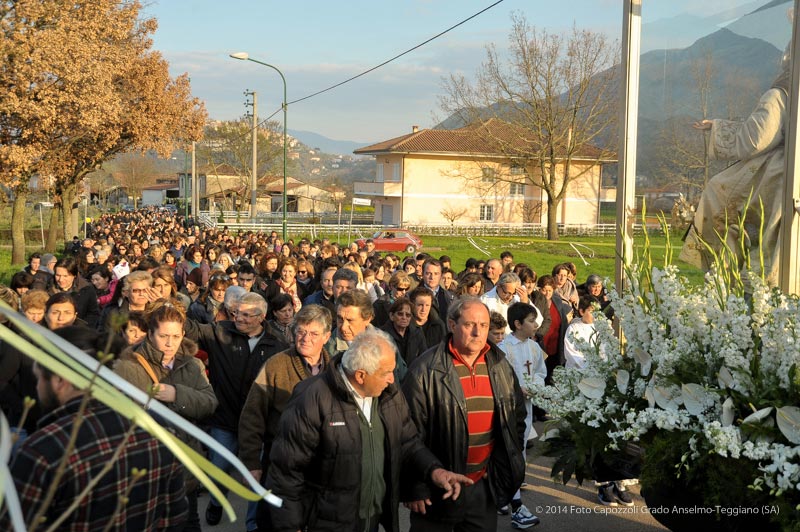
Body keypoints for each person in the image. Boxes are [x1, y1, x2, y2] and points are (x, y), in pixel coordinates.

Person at [263, 328, 473, 532]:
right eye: (387, 372)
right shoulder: (312, 399)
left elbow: (408, 442)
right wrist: (290, 527)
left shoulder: (389, 393)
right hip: (325, 522)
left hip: (371, 520)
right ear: (361, 376)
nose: (393, 378)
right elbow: (286, 473)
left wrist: (435, 471)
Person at [0, 326, 188, 531]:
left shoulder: (41, 451)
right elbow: (174, 519)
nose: (37, 387)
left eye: (39, 377)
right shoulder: (160, 432)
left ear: (59, 380)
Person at [401, 297, 528, 532]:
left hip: (483, 486)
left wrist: (499, 471)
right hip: (437, 488)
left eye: (484, 325)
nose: (478, 332)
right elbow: (407, 436)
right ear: (452, 325)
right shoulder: (425, 370)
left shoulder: (500, 365)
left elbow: (515, 421)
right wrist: (415, 487)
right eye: (470, 324)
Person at [681, 45, 791, 287]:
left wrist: (719, 128)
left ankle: (725, 269)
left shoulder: (780, 95)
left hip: (780, 174)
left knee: (718, 190)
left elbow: (755, 140)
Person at [183, 291, 287, 526]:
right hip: (225, 421)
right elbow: (191, 329)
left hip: (258, 427)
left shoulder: (277, 346)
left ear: (261, 317)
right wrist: (169, 303)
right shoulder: (220, 332)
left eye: (246, 314)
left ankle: (253, 525)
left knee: (254, 478)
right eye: (236, 312)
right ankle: (216, 502)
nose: (238, 318)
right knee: (218, 471)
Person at [114, 302, 218, 531]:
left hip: (184, 467)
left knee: (189, 524)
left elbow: (210, 403)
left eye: (176, 336)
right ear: (149, 333)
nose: (170, 343)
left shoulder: (193, 365)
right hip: (144, 471)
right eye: (163, 336)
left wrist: (176, 395)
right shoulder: (127, 367)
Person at [238, 304, 334, 532]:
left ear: (327, 336)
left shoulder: (335, 369)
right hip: (279, 464)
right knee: (275, 522)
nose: (305, 338)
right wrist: (251, 463)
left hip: (322, 467)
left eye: (313, 333)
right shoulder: (276, 365)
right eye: (300, 331)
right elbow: (252, 416)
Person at [498, 303, 547, 526]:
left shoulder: (535, 348)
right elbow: (500, 379)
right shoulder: (503, 348)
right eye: (530, 321)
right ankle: (514, 503)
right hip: (508, 409)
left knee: (521, 450)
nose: (536, 325)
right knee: (509, 451)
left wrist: (535, 385)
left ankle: (511, 496)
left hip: (526, 408)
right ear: (517, 324)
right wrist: (518, 389)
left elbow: (540, 371)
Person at [50, 256, 100, 328]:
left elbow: (93, 314)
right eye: (58, 275)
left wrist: (80, 329)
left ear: (74, 276)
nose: (61, 279)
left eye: (65, 276)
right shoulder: (47, 287)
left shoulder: (86, 289)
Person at [381, 297, 427, 366]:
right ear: (392, 316)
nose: (404, 317)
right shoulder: (381, 335)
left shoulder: (417, 333)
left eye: (408, 315)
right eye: (400, 314)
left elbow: (424, 359)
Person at [422, 259, 455, 323]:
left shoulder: (450, 297)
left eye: (436, 274)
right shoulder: (411, 296)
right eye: (428, 273)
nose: (432, 277)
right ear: (423, 274)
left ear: (441, 275)